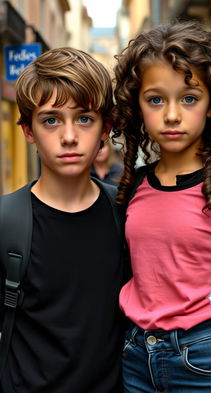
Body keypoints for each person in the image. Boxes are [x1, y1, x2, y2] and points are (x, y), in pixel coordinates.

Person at [112, 20, 211, 393]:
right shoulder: (132, 187)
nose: (172, 114)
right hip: (135, 358)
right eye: (155, 99)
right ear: (137, 105)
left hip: (209, 359)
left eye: (189, 98)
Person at [0, 47, 125, 393]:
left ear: (105, 128)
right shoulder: (6, 223)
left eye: (84, 118)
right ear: (28, 131)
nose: (69, 137)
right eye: (51, 120)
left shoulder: (127, 213)